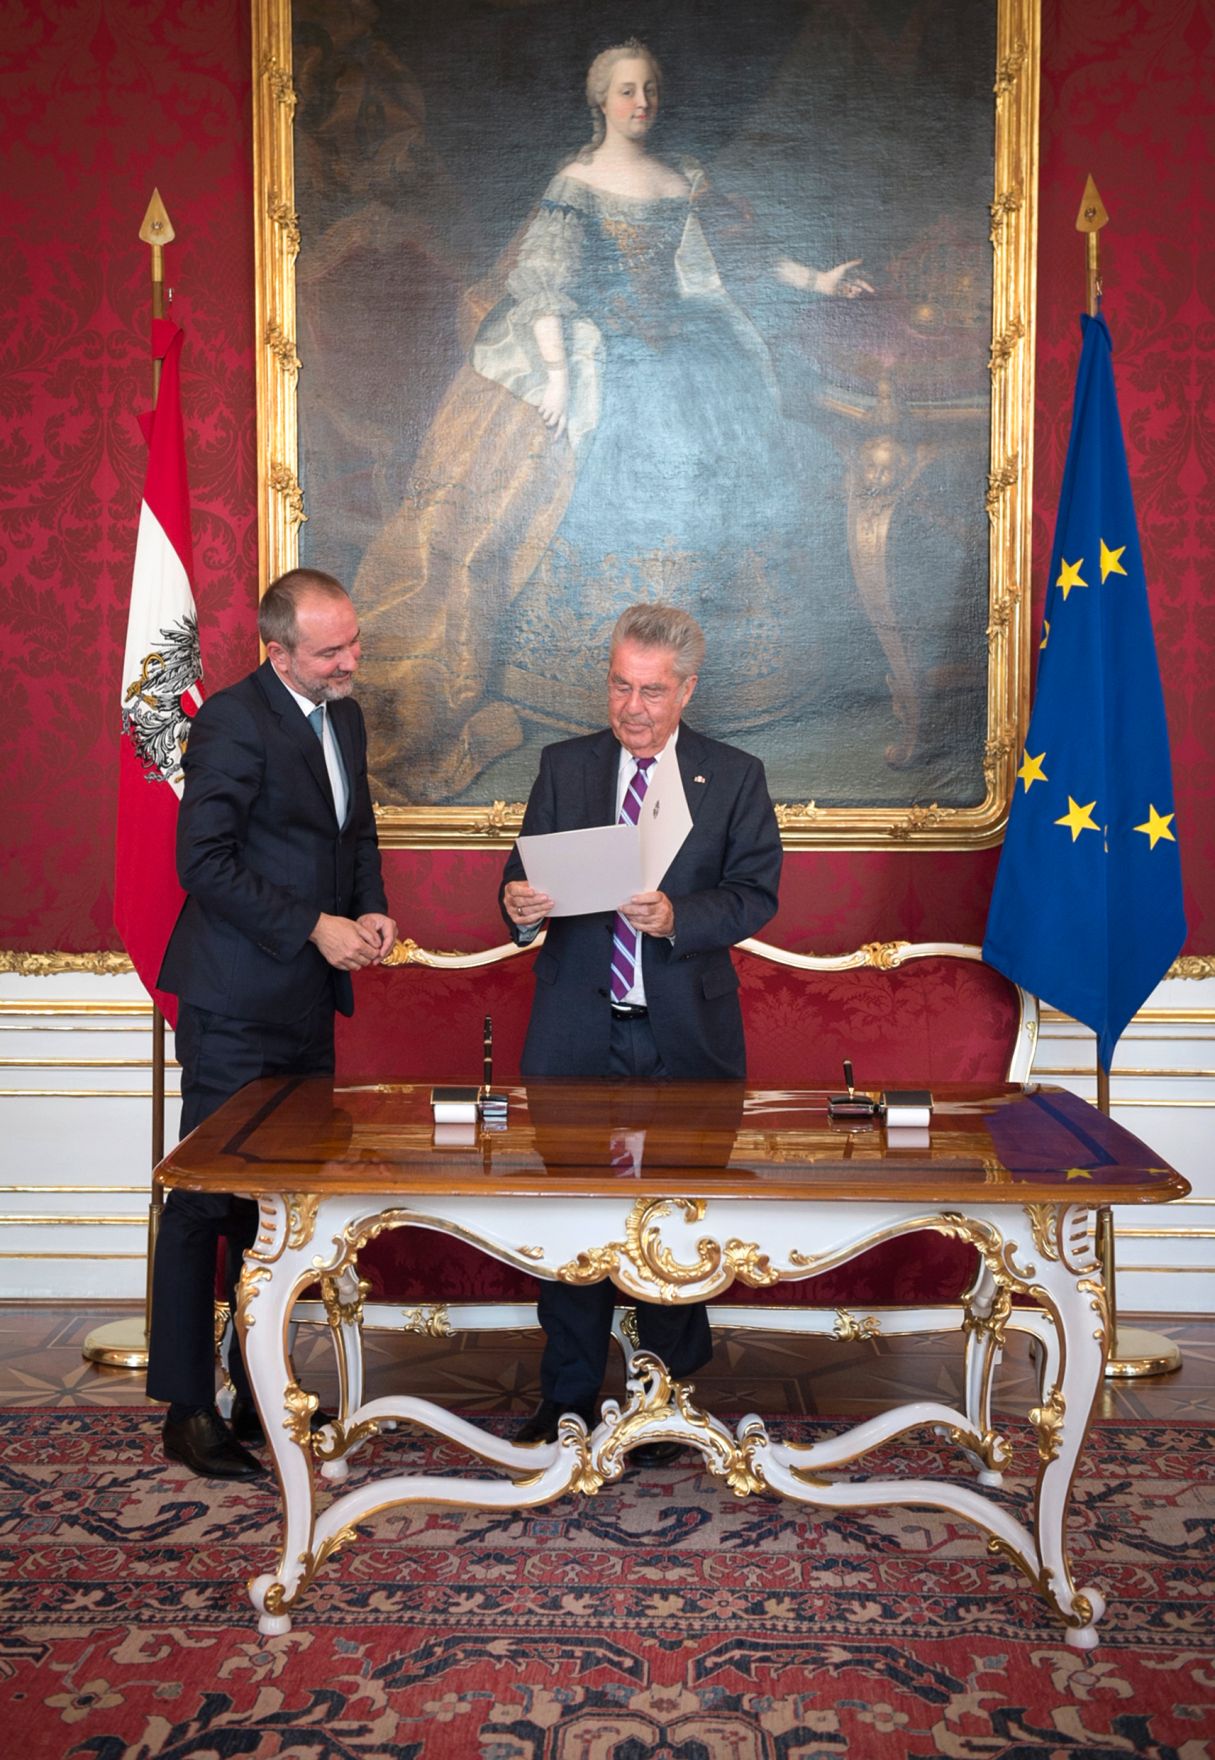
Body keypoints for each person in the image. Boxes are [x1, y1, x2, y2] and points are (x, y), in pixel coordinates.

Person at [354, 38, 871, 805]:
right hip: (607, 362)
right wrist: (559, 379)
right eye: (627, 91)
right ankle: (573, 677)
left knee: (718, 496)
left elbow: (745, 257)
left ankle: (723, 681)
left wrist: (822, 279)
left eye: (651, 90)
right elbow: (544, 286)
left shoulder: (684, 177)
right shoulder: (577, 182)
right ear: (600, 100)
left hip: (695, 357)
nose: (641, 104)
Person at [500, 602, 782, 1458]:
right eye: (620, 686)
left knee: (674, 1222)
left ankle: (662, 1397)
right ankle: (568, 1400)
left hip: (683, 1037)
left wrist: (676, 916)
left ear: (686, 689)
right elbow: (521, 880)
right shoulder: (564, 766)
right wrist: (516, 907)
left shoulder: (731, 776)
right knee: (573, 1219)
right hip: (577, 1030)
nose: (631, 707)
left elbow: (756, 893)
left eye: (651, 692)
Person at [148, 568, 397, 1480]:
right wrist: (310, 926)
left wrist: (370, 910)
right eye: (332, 651)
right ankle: (186, 1406)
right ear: (278, 650)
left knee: (277, 1213)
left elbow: (354, 833)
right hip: (234, 1003)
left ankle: (258, 1386)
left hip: (306, 1005)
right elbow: (202, 862)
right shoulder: (230, 720)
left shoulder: (346, 715)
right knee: (205, 1202)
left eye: (353, 643)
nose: (351, 662)